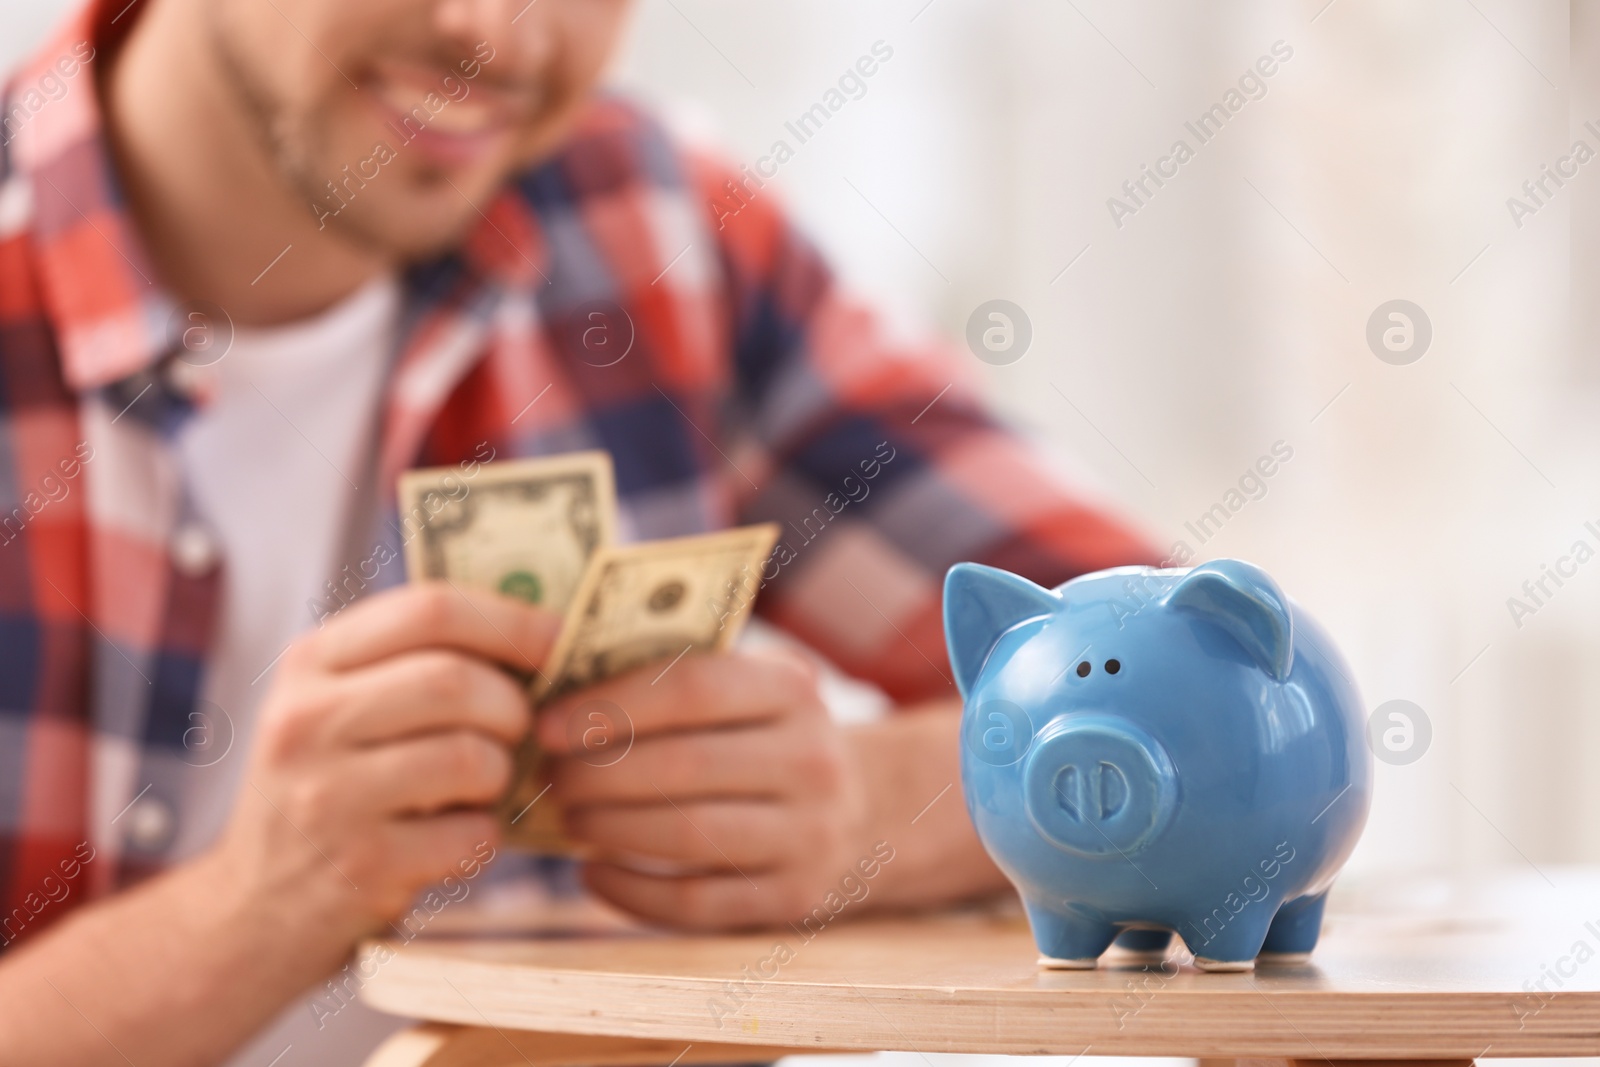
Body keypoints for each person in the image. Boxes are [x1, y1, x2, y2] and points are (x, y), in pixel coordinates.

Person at [0, 0, 1155, 1062]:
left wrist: (868, 812)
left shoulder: (650, 225)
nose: (496, 37)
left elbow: (1190, 684)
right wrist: (250, 907)